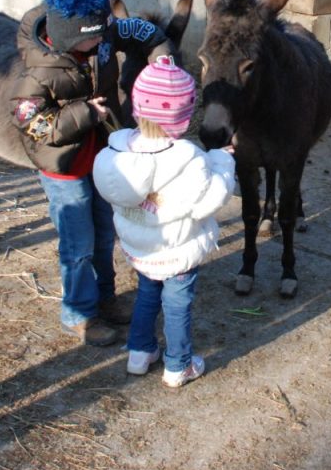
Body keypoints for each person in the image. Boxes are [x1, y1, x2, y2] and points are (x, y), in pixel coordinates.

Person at [12, 0, 167, 345]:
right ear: (67, 39)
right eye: (94, 39)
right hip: (64, 167)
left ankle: (106, 299)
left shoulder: (101, 30)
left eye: (104, 34)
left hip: (101, 159)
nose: (104, 42)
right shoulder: (40, 70)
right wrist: (86, 113)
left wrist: (163, 61)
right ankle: (79, 313)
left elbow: (142, 32)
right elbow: (31, 122)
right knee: (77, 244)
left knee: (103, 234)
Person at [93, 57, 236, 387]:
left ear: (138, 109)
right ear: (184, 117)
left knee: (146, 295)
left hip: (141, 251)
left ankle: (140, 353)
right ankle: (178, 365)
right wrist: (223, 162)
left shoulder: (117, 154)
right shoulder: (189, 160)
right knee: (177, 305)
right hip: (177, 252)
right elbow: (210, 199)